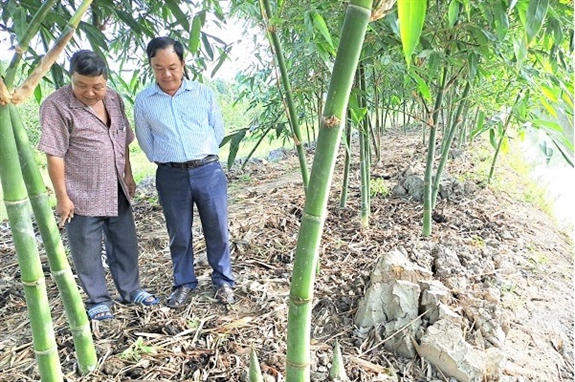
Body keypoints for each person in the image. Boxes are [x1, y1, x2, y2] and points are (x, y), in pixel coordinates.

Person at [38, 50, 159, 321]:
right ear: (71, 78)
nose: (90, 93)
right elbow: (54, 154)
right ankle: (98, 300)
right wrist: (62, 197)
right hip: (81, 191)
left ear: (106, 80)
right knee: (86, 247)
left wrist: (128, 175)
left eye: (97, 87)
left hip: (115, 185)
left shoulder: (114, 99)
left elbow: (122, 140)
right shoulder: (56, 105)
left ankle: (130, 290)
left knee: (125, 243)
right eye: (81, 85)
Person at [134, 36, 235, 308]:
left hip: (208, 171)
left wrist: (202, 153)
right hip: (171, 176)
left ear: (182, 63)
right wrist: (169, 160)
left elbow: (218, 130)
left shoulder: (203, 93)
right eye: (159, 68)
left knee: (217, 229)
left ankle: (224, 281)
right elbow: (146, 142)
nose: (166, 74)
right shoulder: (144, 101)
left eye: (172, 66)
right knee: (179, 233)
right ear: (151, 66)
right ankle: (184, 283)